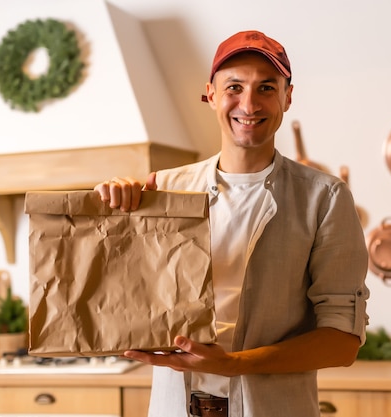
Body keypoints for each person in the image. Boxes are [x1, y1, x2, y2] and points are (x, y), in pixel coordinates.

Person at [94, 30, 369, 417]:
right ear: (210, 93)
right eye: (234, 87)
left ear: (288, 97)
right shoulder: (165, 189)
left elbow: (342, 343)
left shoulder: (324, 198)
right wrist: (110, 211)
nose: (249, 104)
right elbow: (116, 297)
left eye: (267, 88)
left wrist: (233, 365)